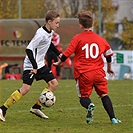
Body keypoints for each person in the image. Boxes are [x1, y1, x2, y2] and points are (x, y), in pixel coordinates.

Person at [53, 10, 121, 124]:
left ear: (80, 25)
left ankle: (89, 105)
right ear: (93, 24)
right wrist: (109, 67)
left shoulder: (77, 38)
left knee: (83, 97)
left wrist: (59, 62)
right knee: (104, 95)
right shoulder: (100, 39)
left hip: (84, 74)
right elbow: (109, 54)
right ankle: (113, 119)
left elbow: (68, 52)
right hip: (99, 73)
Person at [0, 10, 61, 122]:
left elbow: (49, 44)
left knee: (53, 84)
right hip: (31, 64)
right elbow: (29, 49)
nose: (58, 25)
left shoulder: (50, 31)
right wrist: (34, 66)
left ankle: (36, 107)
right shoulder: (40, 33)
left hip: (40, 64)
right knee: (25, 89)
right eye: (56, 23)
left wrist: (59, 54)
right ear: (49, 21)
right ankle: (2, 109)